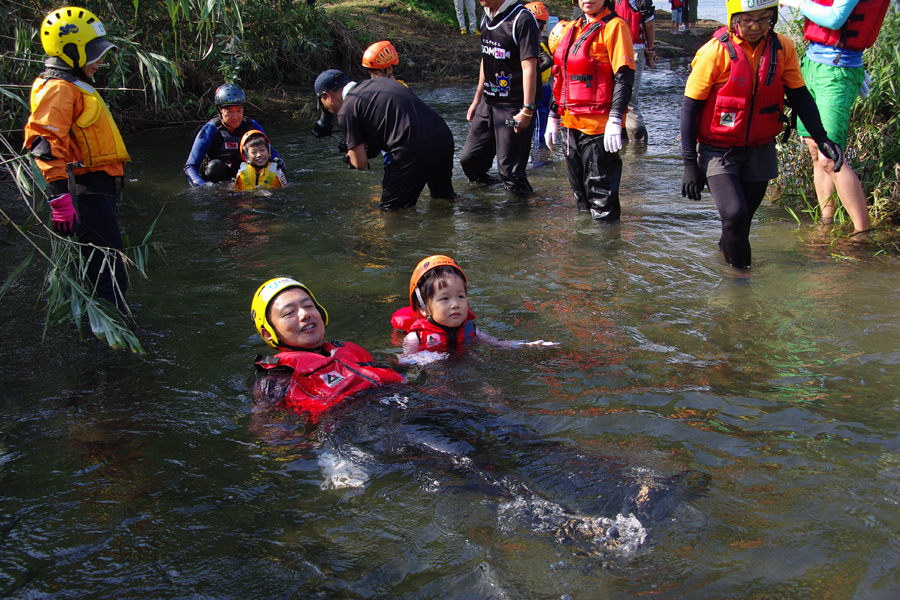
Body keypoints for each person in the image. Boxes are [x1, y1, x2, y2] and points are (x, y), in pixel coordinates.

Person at [680, 0, 844, 269]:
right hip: (718, 150)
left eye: (764, 19)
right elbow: (689, 109)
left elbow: (799, 95)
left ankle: (726, 256)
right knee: (734, 214)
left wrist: (821, 136)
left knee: (742, 222)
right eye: (747, 20)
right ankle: (741, 285)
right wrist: (689, 164)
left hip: (760, 148)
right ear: (734, 19)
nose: (755, 27)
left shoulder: (783, 48)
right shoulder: (714, 53)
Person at [25, 6, 131, 310]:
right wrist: (60, 200)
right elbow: (44, 142)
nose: (100, 61)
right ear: (70, 52)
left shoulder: (73, 85)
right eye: (93, 53)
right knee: (109, 273)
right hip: (83, 191)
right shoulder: (58, 88)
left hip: (96, 188)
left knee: (109, 268)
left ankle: (115, 327)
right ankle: (114, 337)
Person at [777, 0, 887, 234]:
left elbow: (835, 18)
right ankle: (826, 225)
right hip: (812, 63)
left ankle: (862, 234)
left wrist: (795, 1)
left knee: (830, 156)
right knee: (816, 150)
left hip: (837, 71)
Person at [251, 277, 405, 421]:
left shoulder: (348, 352)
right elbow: (269, 432)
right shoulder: (273, 384)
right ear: (268, 334)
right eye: (289, 312)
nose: (305, 314)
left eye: (308, 306)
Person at [543, 0, 635, 222]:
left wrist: (615, 119)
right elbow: (561, 77)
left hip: (599, 127)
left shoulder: (615, 27)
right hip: (570, 124)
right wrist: (553, 116)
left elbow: (624, 77)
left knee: (601, 197)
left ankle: (606, 249)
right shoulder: (572, 28)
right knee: (580, 195)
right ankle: (583, 251)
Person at [314, 69, 456, 210]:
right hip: (442, 136)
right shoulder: (379, 83)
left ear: (327, 96)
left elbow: (360, 163)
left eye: (323, 103)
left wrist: (351, 156)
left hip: (413, 149)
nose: (328, 110)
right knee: (444, 199)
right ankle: (469, 217)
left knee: (390, 210)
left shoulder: (346, 110)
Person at [391, 255, 556, 358]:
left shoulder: (471, 329)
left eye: (460, 296)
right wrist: (423, 359)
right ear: (422, 308)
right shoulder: (416, 338)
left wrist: (524, 345)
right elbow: (406, 360)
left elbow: (495, 344)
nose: (455, 304)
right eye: (445, 298)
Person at [459, 0, 541, 194]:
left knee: (511, 172)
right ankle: (489, 208)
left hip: (513, 105)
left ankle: (520, 217)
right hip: (488, 102)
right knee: (470, 161)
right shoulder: (486, 16)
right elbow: (486, 58)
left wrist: (527, 110)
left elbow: (529, 66)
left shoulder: (522, 18)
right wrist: (476, 99)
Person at [184, 83, 283, 187]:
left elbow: (270, 152)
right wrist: (201, 186)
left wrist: (278, 161)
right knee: (214, 167)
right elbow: (190, 167)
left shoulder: (252, 126)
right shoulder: (210, 130)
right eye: (229, 111)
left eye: (239, 110)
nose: (235, 116)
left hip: (244, 176)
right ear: (220, 110)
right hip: (217, 180)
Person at [615, 0, 656, 142]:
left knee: (617, 97)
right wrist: (650, 50)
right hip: (633, 49)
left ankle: (625, 144)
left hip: (612, 49)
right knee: (630, 100)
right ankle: (636, 149)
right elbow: (649, 24)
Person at [525, 2, 554, 166]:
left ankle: (538, 160)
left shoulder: (538, 41)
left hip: (540, 88)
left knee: (537, 127)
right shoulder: (541, 40)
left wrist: (532, 72)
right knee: (539, 125)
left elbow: (548, 60)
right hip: (542, 87)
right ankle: (540, 157)